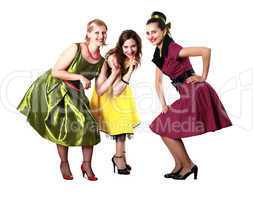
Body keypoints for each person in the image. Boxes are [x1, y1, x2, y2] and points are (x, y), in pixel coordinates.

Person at [17, 19, 119, 181]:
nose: (101, 36)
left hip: (75, 92)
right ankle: (64, 163)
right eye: (97, 32)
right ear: (88, 33)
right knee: (63, 125)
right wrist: (80, 76)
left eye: (103, 32)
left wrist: (114, 73)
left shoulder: (101, 61)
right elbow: (56, 71)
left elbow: (100, 89)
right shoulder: (76, 48)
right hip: (56, 88)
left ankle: (86, 164)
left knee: (89, 126)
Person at [146, 11, 232, 180]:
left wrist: (203, 76)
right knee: (164, 128)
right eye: (147, 33)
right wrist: (163, 104)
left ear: (163, 31)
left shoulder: (173, 49)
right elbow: (157, 82)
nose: (150, 36)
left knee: (164, 127)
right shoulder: (159, 53)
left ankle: (189, 166)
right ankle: (180, 165)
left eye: (154, 32)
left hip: (196, 92)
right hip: (186, 94)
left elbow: (205, 51)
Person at [90, 30, 141, 175]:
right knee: (121, 126)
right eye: (126, 47)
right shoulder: (115, 59)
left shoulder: (130, 57)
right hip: (108, 95)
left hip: (120, 91)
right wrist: (130, 69)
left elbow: (120, 88)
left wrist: (130, 67)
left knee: (123, 126)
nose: (130, 50)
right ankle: (118, 158)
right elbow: (115, 90)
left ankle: (121, 157)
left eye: (133, 46)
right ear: (120, 46)